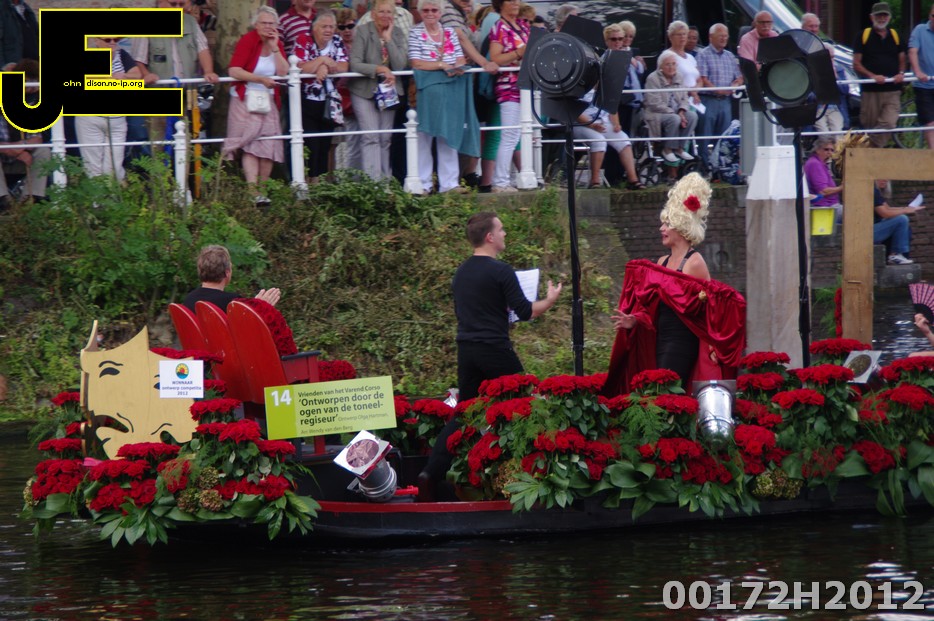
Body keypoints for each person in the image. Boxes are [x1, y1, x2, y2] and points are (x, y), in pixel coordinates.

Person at [416, 211, 562, 500]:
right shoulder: (501, 271)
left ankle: (430, 473)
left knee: (464, 413)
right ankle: (536, 475)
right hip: (495, 349)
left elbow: (473, 310)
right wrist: (550, 300)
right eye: (501, 229)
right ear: (490, 236)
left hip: (467, 350)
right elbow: (526, 312)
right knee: (528, 404)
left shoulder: (461, 272)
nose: (505, 233)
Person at [602, 173, 746, 396]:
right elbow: (653, 309)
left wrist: (712, 347)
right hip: (660, 339)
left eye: (667, 224)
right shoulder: (662, 262)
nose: (661, 228)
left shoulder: (694, 263)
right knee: (656, 392)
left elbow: (711, 309)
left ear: (681, 226)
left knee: (666, 394)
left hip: (681, 342)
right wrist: (635, 320)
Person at [408, 0, 479, 195]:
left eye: (434, 10)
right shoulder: (415, 32)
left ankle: (449, 184)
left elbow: (459, 59)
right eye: (426, 10)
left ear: (440, 12)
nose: (430, 13)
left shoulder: (449, 32)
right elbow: (416, 63)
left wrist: (455, 66)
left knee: (448, 134)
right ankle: (423, 183)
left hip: (450, 90)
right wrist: (442, 65)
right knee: (425, 135)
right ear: (420, 12)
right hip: (427, 91)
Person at [223, 6, 289, 206]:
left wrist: (275, 47)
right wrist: (260, 79)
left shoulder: (277, 42)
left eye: (271, 23)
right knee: (250, 145)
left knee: (268, 144)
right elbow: (234, 70)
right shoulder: (248, 40)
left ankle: (263, 191)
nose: (268, 27)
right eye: (264, 23)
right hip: (245, 98)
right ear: (256, 25)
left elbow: (284, 72)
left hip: (268, 100)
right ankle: (253, 193)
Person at [349, 0, 408, 182]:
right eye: (381, 11)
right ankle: (372, 183)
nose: (385, 15)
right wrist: (379, 69)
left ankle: (385, 181)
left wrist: (388, 40)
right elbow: (355, 63)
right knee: (371, 136)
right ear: (373, 14)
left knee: (385, 138)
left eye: (389, 12)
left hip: (388, 90)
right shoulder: (363, 31)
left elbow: (400, 64)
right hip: (365, 89)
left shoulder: (397, 33)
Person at [75, 36, 143, 181]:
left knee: (114, 169)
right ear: (96, 40)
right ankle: (98, 196)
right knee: (93, 169)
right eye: (107, 40)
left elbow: (137, 75)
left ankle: (112, 194)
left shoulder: (122, 54)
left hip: (117, 119)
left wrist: (123, 76)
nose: (112, 43)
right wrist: (113, 79)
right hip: (91, 119)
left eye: (115, 40)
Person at [294, 9, 350, 184]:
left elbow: (343, 66)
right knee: (311, 143)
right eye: (324, 26)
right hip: (307, 100)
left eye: (331, 27)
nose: (328, 30)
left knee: (325, 144)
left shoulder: (337, 41)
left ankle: (319, 183)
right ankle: (309, 180)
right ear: (315, 27)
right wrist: (322, 61)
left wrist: (322, 67)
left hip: (329, 102)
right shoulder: (303, 39)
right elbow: (300, 67)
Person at [488, 0, 531, 193]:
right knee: (509, 135)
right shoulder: (499, 27)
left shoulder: (522, 25)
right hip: (509, 86)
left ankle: (511, 178)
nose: (515, 2)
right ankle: (500, 182)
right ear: (501, 4)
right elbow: (496, 58)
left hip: (524, 86)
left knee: (517, 135)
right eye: (510, 0)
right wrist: (518, 53)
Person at [853, 2, 906, 148]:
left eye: (885, 15)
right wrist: (873, 76)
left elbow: (903, 58)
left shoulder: (896, 35)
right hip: (871, 91)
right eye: (878, 15)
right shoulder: (862, 36)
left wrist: (901, 73)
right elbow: (856, 64)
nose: (882, 18)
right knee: (869, 124)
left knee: (889, 123)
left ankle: (862, 147)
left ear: (889, 17)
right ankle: (871, 153)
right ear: (872, 17)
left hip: (892, 90)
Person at [572, 89, 645, 190]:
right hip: (582, 124)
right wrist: (592, 125)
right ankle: (595, 181)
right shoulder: (579, 89)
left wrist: (616, 124)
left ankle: (633, 179)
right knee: (599, 140)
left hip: (603, 122)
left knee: (624, 140)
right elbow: (574, 112)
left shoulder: (605, 87)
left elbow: (612, 108)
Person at [0, 58, 49, 209]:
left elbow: (37, 137)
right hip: (3, 153)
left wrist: (21, 148)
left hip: (23, 155)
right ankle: (3, 201)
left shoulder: (36, 101)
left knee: (44, 152)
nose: (32, 88)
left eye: (35, 82)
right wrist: (11, 149)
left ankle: (30, 199)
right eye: (28, 82)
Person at [696, 23, 742, 172]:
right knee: (705, 136)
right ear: (711, 37)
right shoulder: (703, 54)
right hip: (709, 100)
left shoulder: (729, 56)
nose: (724, 38)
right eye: (720, 35)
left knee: (724, 136)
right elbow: (703, 79)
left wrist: (735, 84)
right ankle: (704, 167)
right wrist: (718, 90)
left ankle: (719, 169)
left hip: (726, 102)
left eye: (726, 36)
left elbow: (739, 77)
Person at [643, 51, 698, 174]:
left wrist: (682, 111)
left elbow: (685, 98)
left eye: (674, 64)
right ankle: (667, 149)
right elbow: (653, 102)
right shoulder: (652, 78)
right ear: (661, 66)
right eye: (668, 64)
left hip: (677, 112)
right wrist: (676, 113)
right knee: (674, 119)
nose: (671, 67)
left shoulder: (679, 76)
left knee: (692, 116)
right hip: (657, 114)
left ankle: (679, 148)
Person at [183, 245, 281, 313]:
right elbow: (246, 330)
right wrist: (260, 307)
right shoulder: (232, 302)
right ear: (227, 273)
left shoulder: (189, 300)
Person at [873, 179, 922, 265]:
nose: (884, 180)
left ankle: (898, 255)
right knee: (902, 219)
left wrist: (907, 208)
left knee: (903, 224)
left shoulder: (876, 192)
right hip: (867, 234)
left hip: (874, 229)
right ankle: (896, 254)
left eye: (886, 178)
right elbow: (885, 213)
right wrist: (905, 211)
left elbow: (888, 208)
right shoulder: (872, 191)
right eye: (880, 177)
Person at [908, 2, 934, 149]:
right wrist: (917, 71)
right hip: (924, 85)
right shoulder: (920, 30)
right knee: (929, 121)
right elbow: (913, 51)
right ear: (929, 16)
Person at [803, 137, 843, 221]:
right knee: (856, 212)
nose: (829, 152)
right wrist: (842, 187)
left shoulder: (820, 164)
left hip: (830, 205)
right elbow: (823, 191)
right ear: (817, 150)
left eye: (832, 150)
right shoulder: (815, 164)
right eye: (826, 149)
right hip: (825, 208)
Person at [0, 0, 37, 67]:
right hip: (13, 66)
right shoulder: (3, 8)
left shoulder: (26, 8)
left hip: (32, 66)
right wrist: (3, 66)